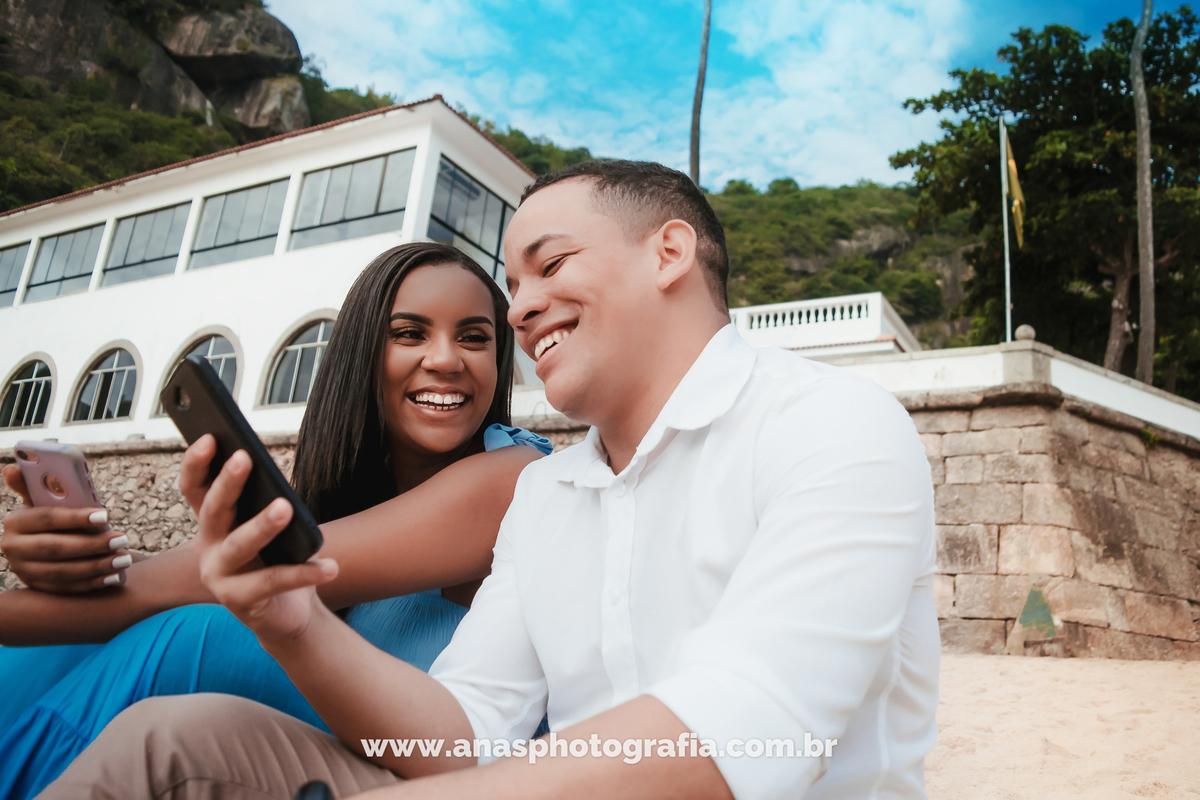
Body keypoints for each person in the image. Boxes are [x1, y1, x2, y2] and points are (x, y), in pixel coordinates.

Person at [43, 160, 939, 800]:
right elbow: (463, 734)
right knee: (173, 738)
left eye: (550, 265)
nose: (518, 309)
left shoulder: (832, 426)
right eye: (513, 286)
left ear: (669, 253)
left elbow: (747, 737)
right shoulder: (546, 496)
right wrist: (293, 623)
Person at [0, 242, 551, 799]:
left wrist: (30, 605)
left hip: (430, 754)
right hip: (339, 735)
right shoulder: (360, 493)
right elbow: (177, 578)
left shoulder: (516, 475)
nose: (447, 359)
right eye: (409, 333)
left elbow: (216, 582)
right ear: (361, 353)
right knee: (73, 642)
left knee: (193, 634)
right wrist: (80, 562)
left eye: (474, 337)